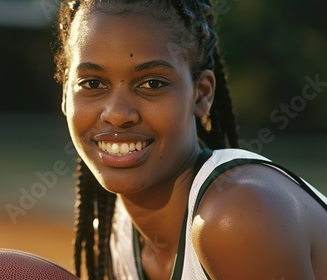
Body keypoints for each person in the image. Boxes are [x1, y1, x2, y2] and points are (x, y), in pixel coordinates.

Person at [52, 0, 327, 279]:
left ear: (202, 94)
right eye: (92, 84)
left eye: (152, 83)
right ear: (65, 95)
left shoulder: (237, 217)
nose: (118, 114)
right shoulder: (114, 236)